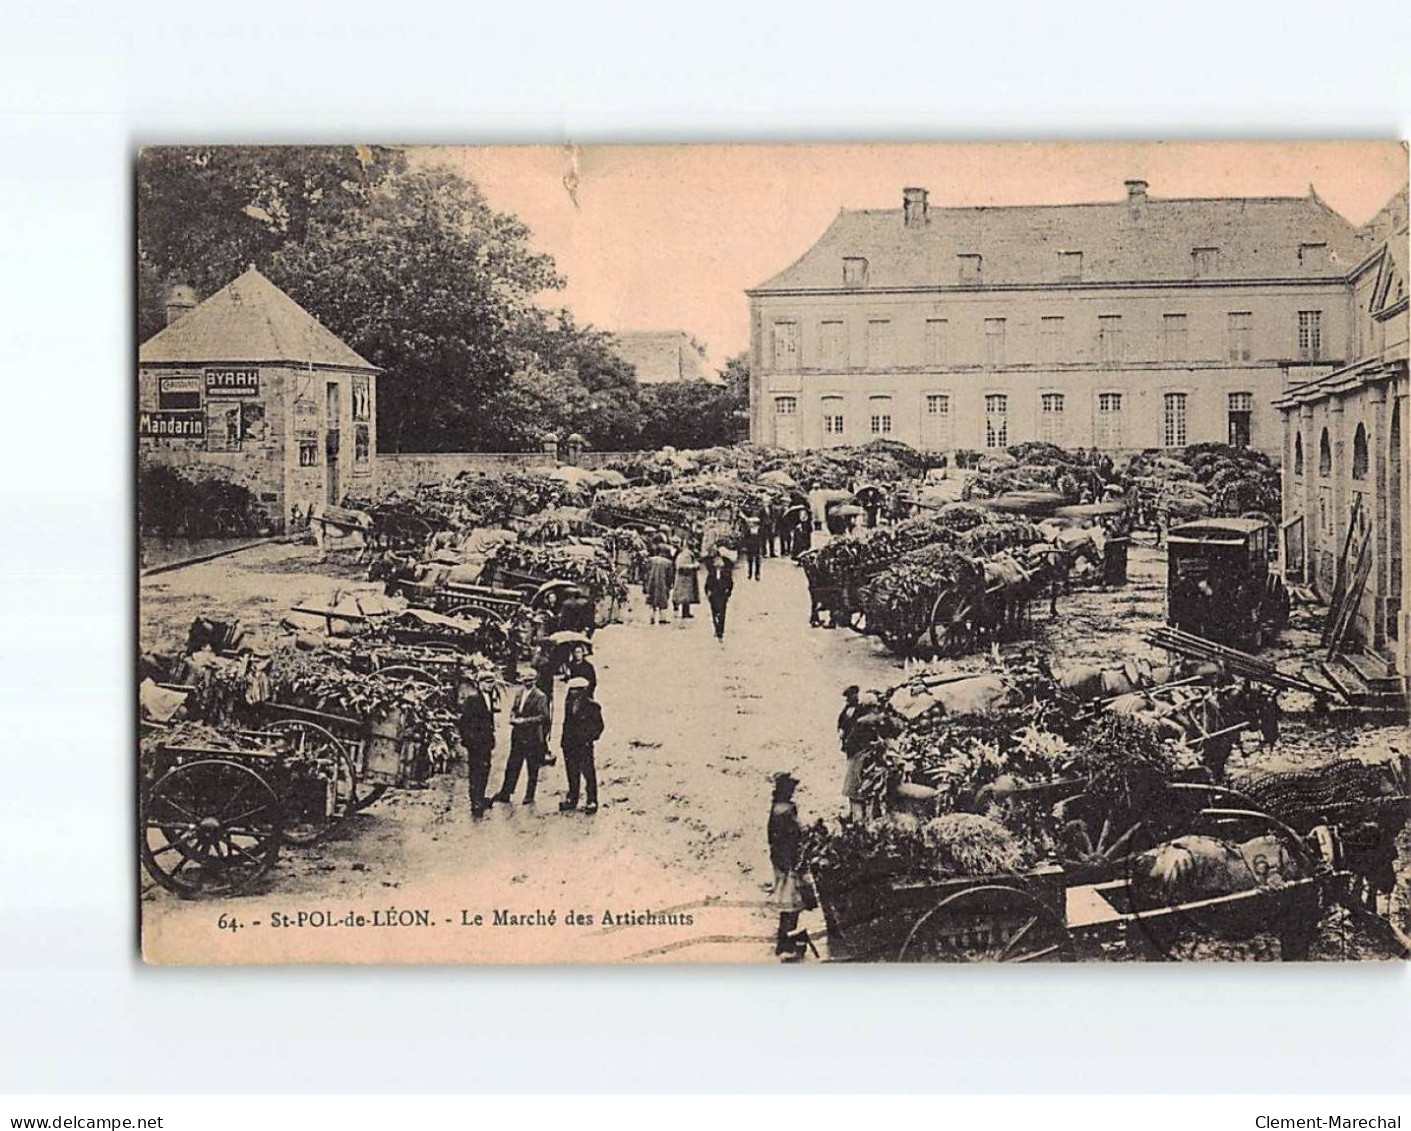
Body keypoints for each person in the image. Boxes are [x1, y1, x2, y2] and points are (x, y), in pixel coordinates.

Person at [491, 670, 551, 806]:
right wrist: (512, 716)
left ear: (535, 681)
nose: (527, 683)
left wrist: (524, 721)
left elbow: (544, 717)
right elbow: (514, 708)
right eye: (525, 680)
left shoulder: (540, 696)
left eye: (530, 680)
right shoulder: (518, 693)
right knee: (512, 765)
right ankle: (506, 793)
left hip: (533, 737)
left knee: (532, 767)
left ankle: (529, 795)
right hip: (518, 735)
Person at [559, 677, 604, 814]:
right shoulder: (568, 704)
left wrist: (588, 739)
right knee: (572, 772)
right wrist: (563, 742)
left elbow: (599, 727)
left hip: (584, 745)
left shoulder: (592, 706)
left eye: (576, 690)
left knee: (588, 773)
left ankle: (592, 800)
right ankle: (573, 798)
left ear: (582, 691)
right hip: (569, 745)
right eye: (571, 690)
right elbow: (566, 724)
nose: (573, 693)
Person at [457, 670, 499, 818]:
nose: (490, 685)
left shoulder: (490, 698)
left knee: (485, 768)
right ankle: (476, 802)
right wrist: (469, 740)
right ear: (479, 684)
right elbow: (463, 722)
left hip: (486, 741)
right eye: (486, 682)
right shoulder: (473, 699)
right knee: (476, 771)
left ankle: (480, 797)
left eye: (491, 682)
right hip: (476, 743)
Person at [704, 549, 735, 641]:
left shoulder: (726, 574)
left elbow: (730, 584)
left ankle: (720, 630)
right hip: (713, 595)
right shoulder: (711, 574)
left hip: (722, 595)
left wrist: (728, 593)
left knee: (722, 613)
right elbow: (707, 585)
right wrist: (707, 594)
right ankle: (716, 627)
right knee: (714, 612)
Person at [643, 543, 674, 624]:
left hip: (651, 582)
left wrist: (645, 583)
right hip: (662, 584)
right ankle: (662, 618)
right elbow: (670, 576)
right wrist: (670, 584)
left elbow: (646, 572)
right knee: (662, 601)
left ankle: (651, 617)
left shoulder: (651, 560)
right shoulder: (668, 562)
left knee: (651, 600)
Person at [672, 541, 700, 620]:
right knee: (684, 596)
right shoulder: (685, 554)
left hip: (686, 578)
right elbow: (680, 566)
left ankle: (686, 612)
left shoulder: (686, 553)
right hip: (684, 578)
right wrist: (693, 566)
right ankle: (683, 612)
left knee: (686, 596)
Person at [742, 511, 763, 581]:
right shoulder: (748, 530)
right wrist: (745, 546)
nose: (750, 524)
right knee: (750, 560)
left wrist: (761, 545)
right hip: (749, 546)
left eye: (752, 523)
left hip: (757, 546)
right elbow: (745, 538)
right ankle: (750, 573)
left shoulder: (759, 529)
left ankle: (757, 574)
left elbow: (762, 537)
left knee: (757, 561)